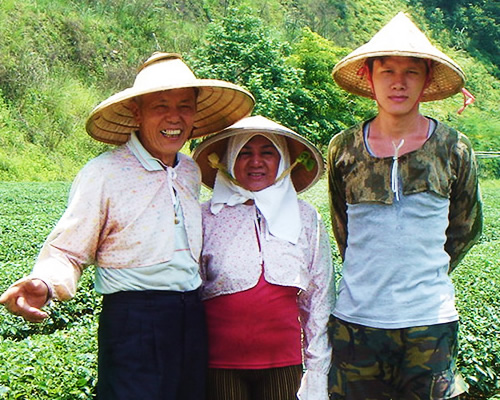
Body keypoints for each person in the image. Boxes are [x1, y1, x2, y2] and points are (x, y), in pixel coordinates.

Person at [0, 52, 254, 400]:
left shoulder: (190, 171)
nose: (174, 118)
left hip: (192, 315)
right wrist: (45, 282)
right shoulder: (104, 173)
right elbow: (67, 249)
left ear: (195, 113)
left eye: (184, 105)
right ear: (137, 112)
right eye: (160, 105)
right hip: (134, 320)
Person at [326, 12, 483, 400]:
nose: (399, 82)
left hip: (429, 322)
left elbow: (465, 227)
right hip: (357, 322)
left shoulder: (453, 148)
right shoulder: (343, 149)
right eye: (388, 70)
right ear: (369, 76)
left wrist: (421, 272)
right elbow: (342, 229)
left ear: (427, 79)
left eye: (411, 71)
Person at [192, 115, 335, 400]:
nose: (256, 162)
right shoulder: (205, 216)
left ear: (282, 161)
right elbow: (188, 290)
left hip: (283, 363)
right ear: (229, 160)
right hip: (219, 364)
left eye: (267, 153)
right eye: (244, 153)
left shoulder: (305, 217)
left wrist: (317, 368)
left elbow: (319, 296)